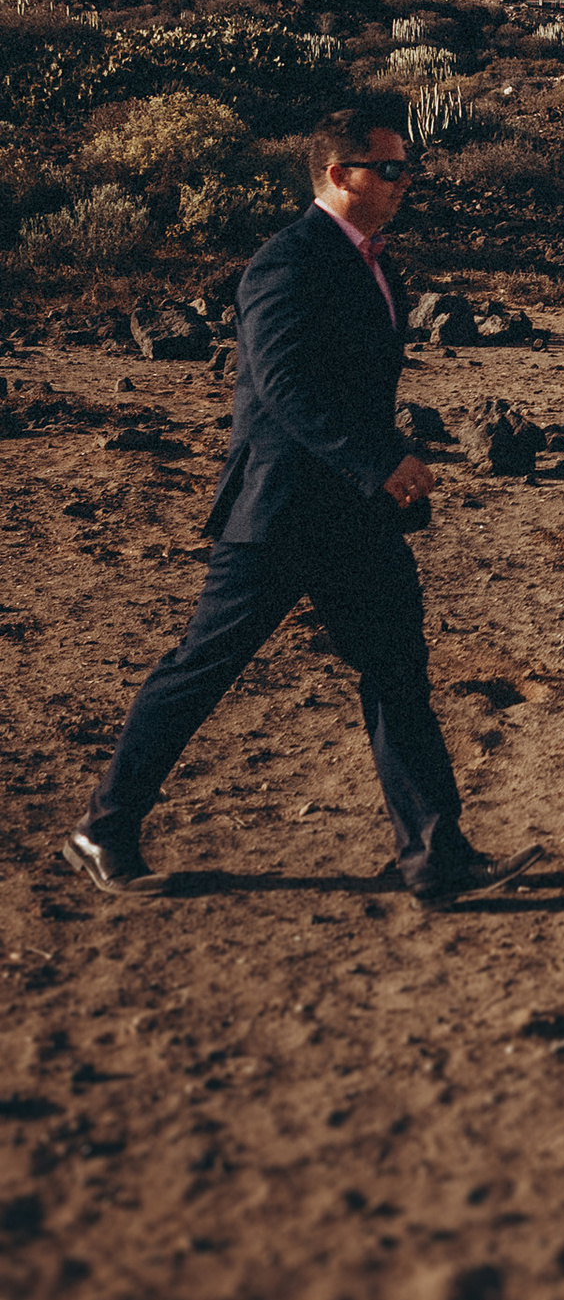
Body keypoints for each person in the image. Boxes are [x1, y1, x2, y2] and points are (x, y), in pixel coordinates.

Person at [66, 94, 506, 905]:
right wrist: (381, 458)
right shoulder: (286, 260)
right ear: (340, 175)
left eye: (408, 168)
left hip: (351, 513)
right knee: (203, 668)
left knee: (397, 670)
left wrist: (381, 467)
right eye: (391, 168)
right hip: (280, 510)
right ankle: (104, 827)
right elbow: (284, 384)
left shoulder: (376, 262)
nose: (407, 181)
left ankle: (436, 858)